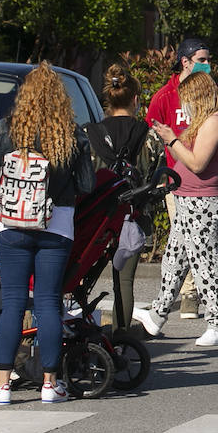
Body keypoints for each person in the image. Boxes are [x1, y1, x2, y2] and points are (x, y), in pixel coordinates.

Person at [0, 62, 96, 405]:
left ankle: (2, 385)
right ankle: (50, 383)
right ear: (61, 99)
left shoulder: (6, 128)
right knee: (48, 302)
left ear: (25, 97)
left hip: (12, 224)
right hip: (56, 225)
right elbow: (87, 184)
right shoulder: (72, 133)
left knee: (13, 301)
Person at [145, 37, 218, 321]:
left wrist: (175, 141)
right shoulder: (166, 95)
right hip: (178, 182)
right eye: (202, 59)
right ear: (185, 61)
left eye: (208, 59)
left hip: (205, 188)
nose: (207, 65)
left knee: (208, 249)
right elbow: (153, 132)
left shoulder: (217, 98)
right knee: (177, 253)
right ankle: (171, 306)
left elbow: (205, 157)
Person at [135, 71, 218, 347]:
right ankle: (157, 315)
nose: (185, 105)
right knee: (174, 259)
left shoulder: (215, 122)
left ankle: (216, 324)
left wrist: (171, 139)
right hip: (187, 199)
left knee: (204, 262)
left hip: (202, 202)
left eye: (188, 99)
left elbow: (197, 163)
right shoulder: (206, 122)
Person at [84, 62, 165, 336]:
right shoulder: (150, 136)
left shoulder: (90, 134)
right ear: (135, 99)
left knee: (79, 279)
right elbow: (157, 180)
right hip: (133, 217)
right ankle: (120, 340)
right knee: (125, 282)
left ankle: (80, 334)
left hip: (95, 219)